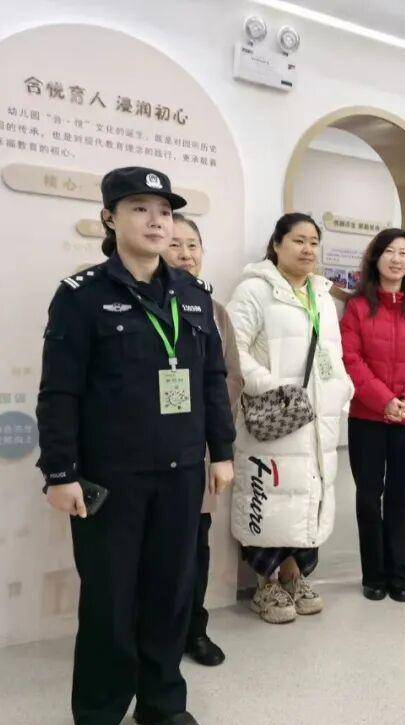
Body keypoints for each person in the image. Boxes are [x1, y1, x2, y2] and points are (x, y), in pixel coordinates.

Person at [37, 166, 236, 725]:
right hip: (110, 477)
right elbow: (60, 391)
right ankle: (97, 717)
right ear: (110, 218)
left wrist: (222, 451)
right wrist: (59, 471)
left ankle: (160, 700)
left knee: (171, 591)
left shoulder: (193, 295)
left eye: (165, 212)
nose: (156, 221)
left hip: (181, 471)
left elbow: (212, 380)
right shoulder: (81, 295)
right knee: (109, 598)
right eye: (140, 209)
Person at [226, 213, 354, 623]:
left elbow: (331, 355)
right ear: (277, 244)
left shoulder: (322, 295)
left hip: (317, 418)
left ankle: (294, 577)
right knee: (272, 495)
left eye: (314, 242)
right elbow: (231, 351)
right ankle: (265, 586)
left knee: (309, 495)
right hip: (274, 415)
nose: (307, 249)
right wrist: (272, 387)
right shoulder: (253, 290)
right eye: (298, 240)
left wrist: (343, 389)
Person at [340, 228, 405, 602]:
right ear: (376, 257)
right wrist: (383, 400)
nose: (396, 259)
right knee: (369, 497)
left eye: (403, 253)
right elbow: (351, 359)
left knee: (402, 496)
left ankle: (399, 576)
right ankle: (373, 575)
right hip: (367, 419)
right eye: (389, 251)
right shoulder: (357, 308)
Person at [162, 214, 243, 667]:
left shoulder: (213, 310)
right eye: (175, 245)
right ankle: (151, 637)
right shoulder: (131, 303)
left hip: (197, 448)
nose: (185, 254)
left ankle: (194, 629)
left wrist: (203, 423)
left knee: (195, 544)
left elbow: (230, 377)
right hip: (146, 450)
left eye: (192, 245)